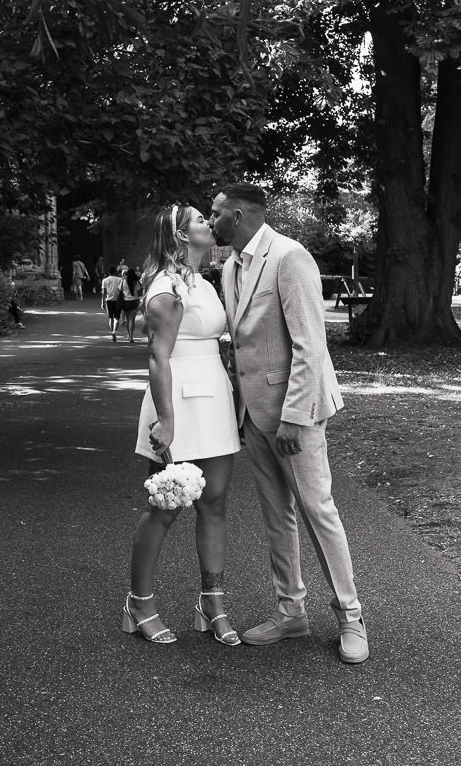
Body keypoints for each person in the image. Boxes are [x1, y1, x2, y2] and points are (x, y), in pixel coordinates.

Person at [210, 183, 367, 665]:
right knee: (276, 514)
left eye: (215, 213)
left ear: (237, 216)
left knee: (318, 510)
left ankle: (351, 617)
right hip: (252, 412)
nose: (210, 220)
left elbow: (309, 344)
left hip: (293, 415)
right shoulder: (231, 266)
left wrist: (295, 418)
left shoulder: (290, 256)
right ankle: (291, 612)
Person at [122, 204, 241, 647]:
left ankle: (211, 604)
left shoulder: (204, 283)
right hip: (177, 404)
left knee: (214, 503)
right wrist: (166, 421)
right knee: (165, 507)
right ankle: (140, 603)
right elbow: (158, 357)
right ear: (180, 236)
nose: (210, 224)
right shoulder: (165, 289)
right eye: (200, 220)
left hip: (214, 397)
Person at [101, 266, 129, 342]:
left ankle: (112, 332)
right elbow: (122, 290)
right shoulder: (120, 279)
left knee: (111, 318)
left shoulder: (105, 280)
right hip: (118, 300)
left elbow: (103, 293)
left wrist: (102, 303)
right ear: (115, 272)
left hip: (109, 300)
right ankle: (114, 331)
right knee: (117, 318)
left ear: (108, 272)